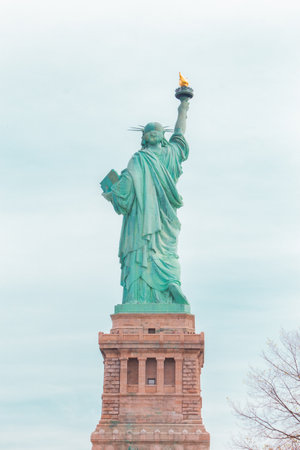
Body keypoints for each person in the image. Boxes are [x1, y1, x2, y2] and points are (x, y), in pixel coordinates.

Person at [103, 99, 190, 305]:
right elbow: (180, 135)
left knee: (142, 250)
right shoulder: (171, 154)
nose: (152, 135)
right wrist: (184, 106)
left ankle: (137, 296)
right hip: (165, 218)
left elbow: (123, 193)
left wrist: (111, 190)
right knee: (167, 252)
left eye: (154, 132)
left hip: (142, 220)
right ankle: (170, 283)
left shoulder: (138, 159)